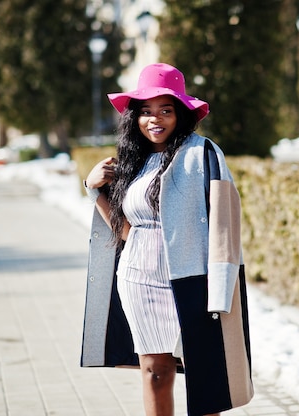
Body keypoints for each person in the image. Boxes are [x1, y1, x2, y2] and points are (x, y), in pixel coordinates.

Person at [82, 63, 253, 416]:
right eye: (145, 112)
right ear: (135, 117)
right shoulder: (134, 160)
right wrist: (94, 188)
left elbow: (224, 226)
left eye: (165, 110)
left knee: (206, 377)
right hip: (138, 279)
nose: (154, 120)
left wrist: (220, 289)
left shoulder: (202, 154)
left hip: (191, 281)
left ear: (182, 114)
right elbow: (127, 230)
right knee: (155, 373)